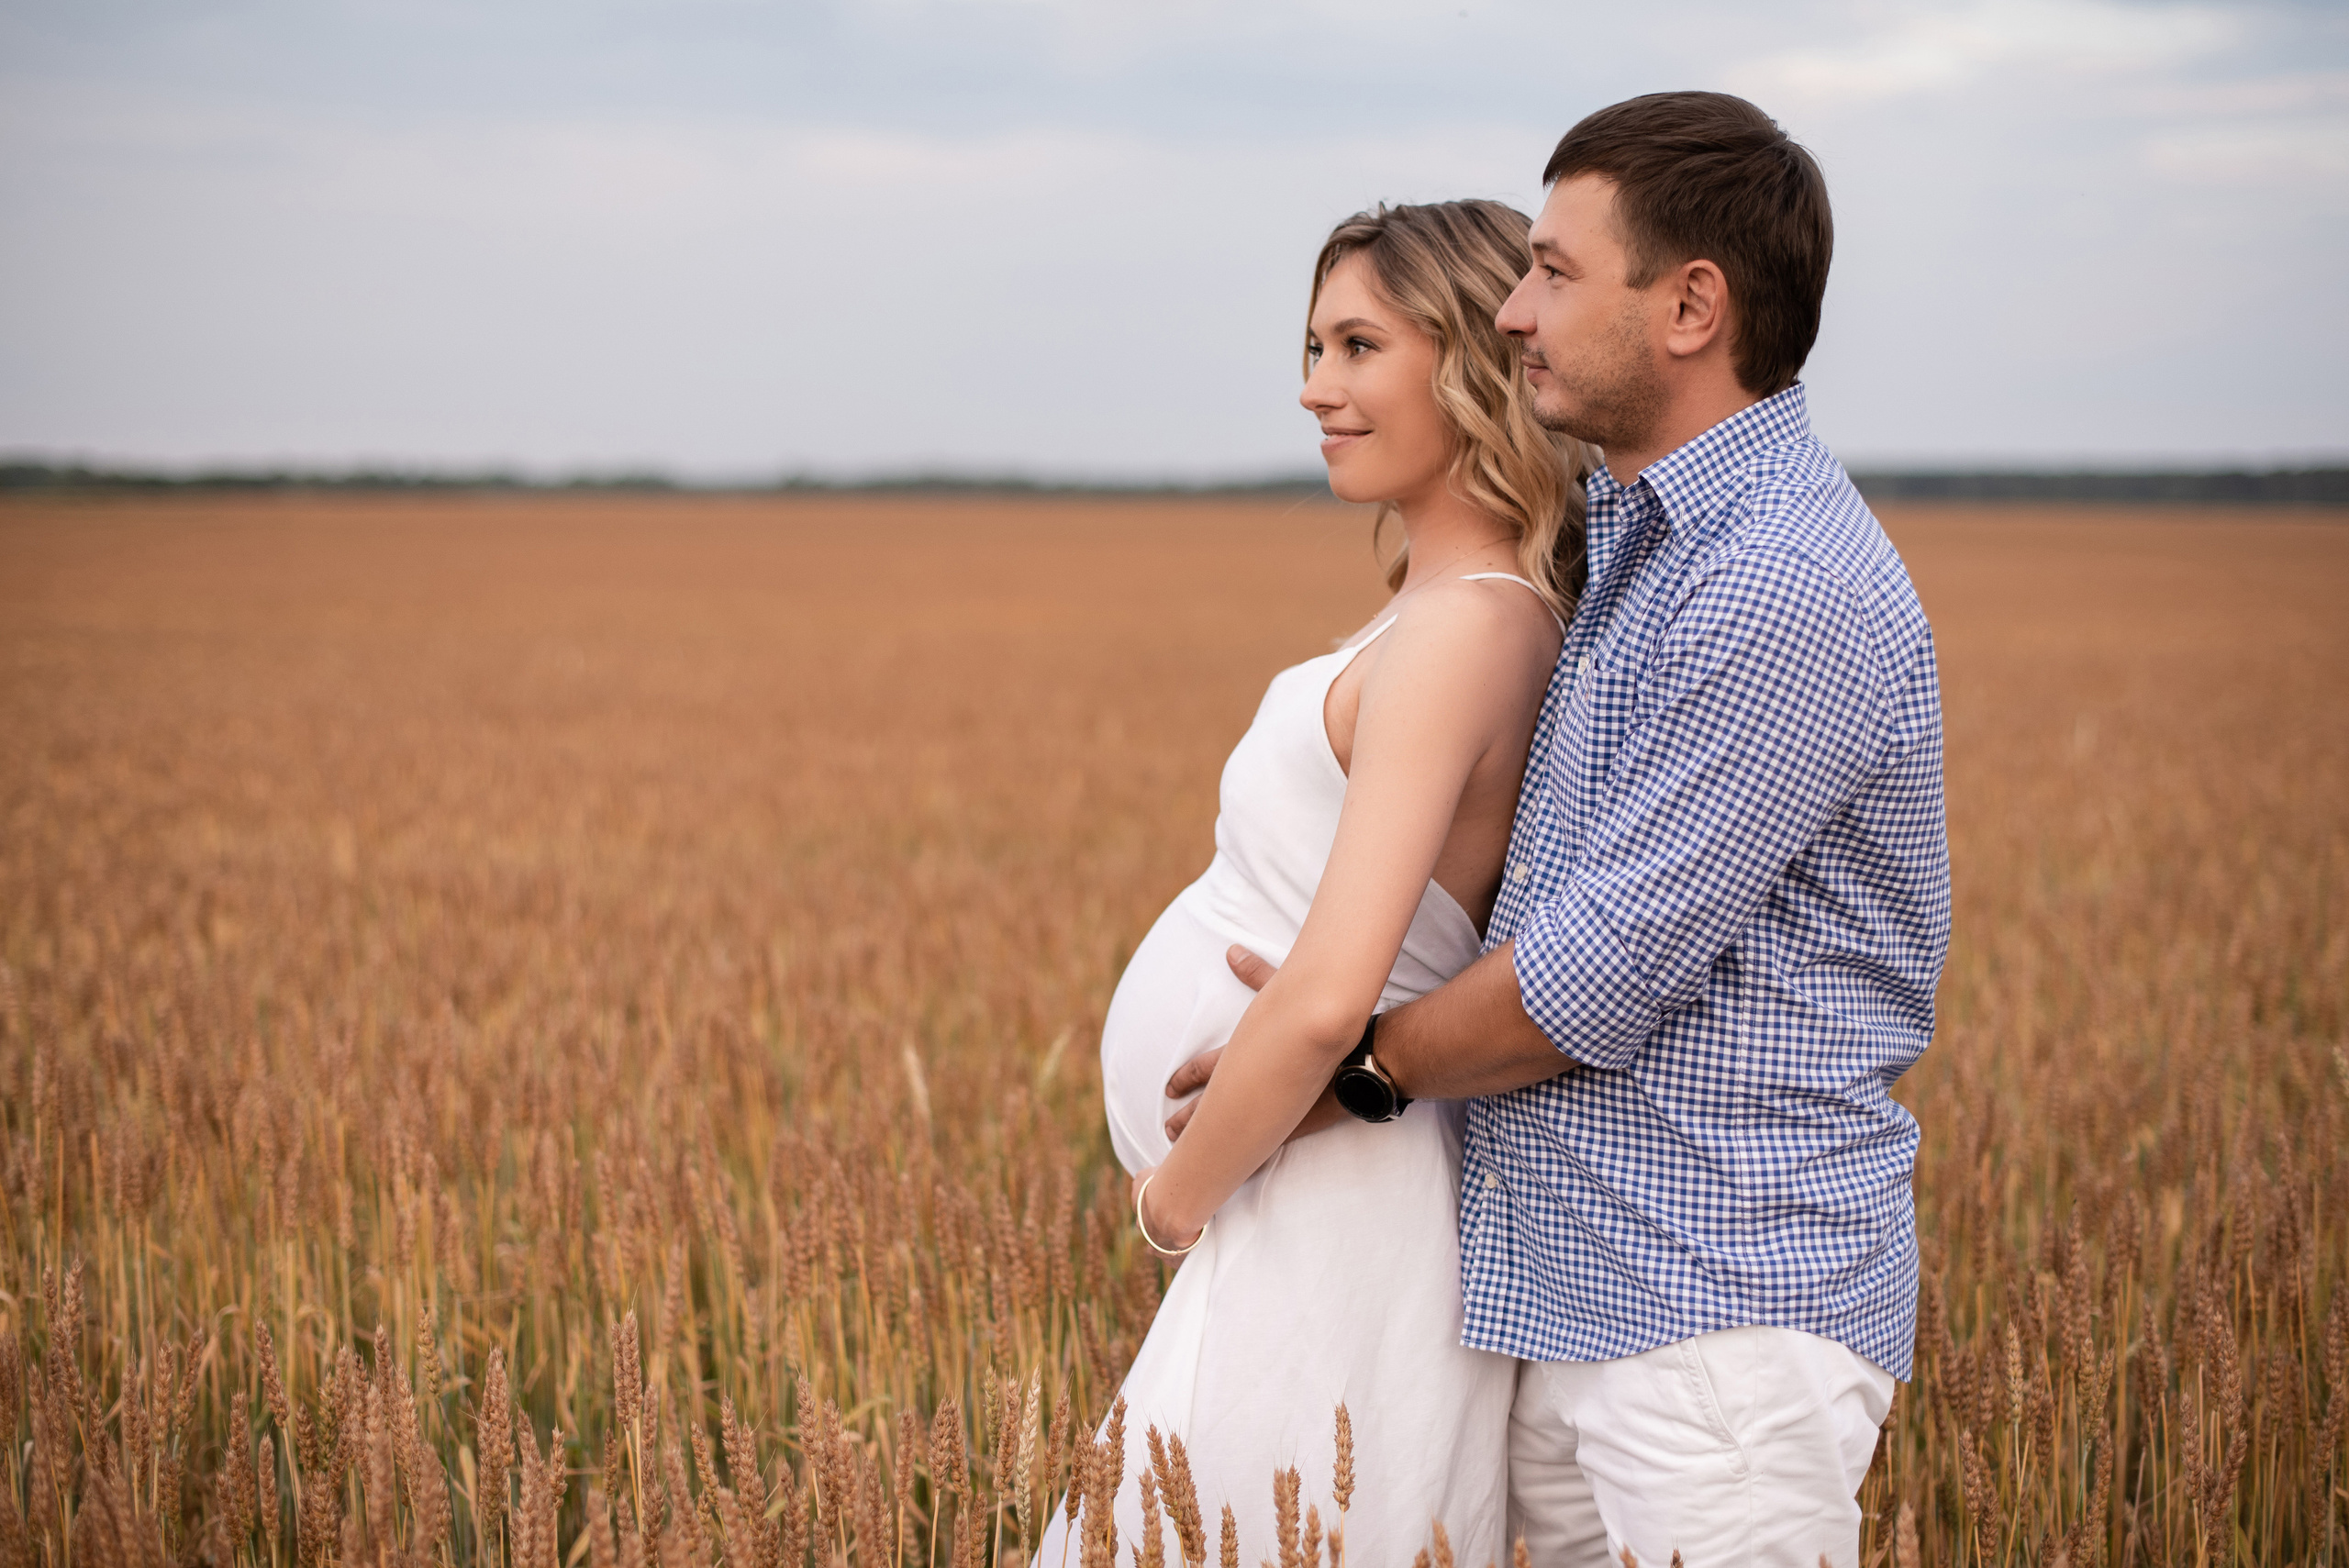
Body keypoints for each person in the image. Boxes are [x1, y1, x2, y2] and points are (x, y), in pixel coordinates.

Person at [1175, 93, 1953, 1566]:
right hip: (1584, 1306)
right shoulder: (1653, 538)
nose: (1514, 311)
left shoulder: (1778, 584)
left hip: (1715, 1333)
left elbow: (1588, 974)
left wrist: (1338, 1067)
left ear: (1690, 306)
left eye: (1550, 271)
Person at [1041, 200, 1595, 1568]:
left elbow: (1320, 1001)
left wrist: (1171, 1208)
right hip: (1310, 1184)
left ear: (1469, 362)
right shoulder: (1449, 612)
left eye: (1358, 345)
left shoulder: (1465, 632)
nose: (1315, 387)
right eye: (1311, 345)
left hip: (1331, 1200)